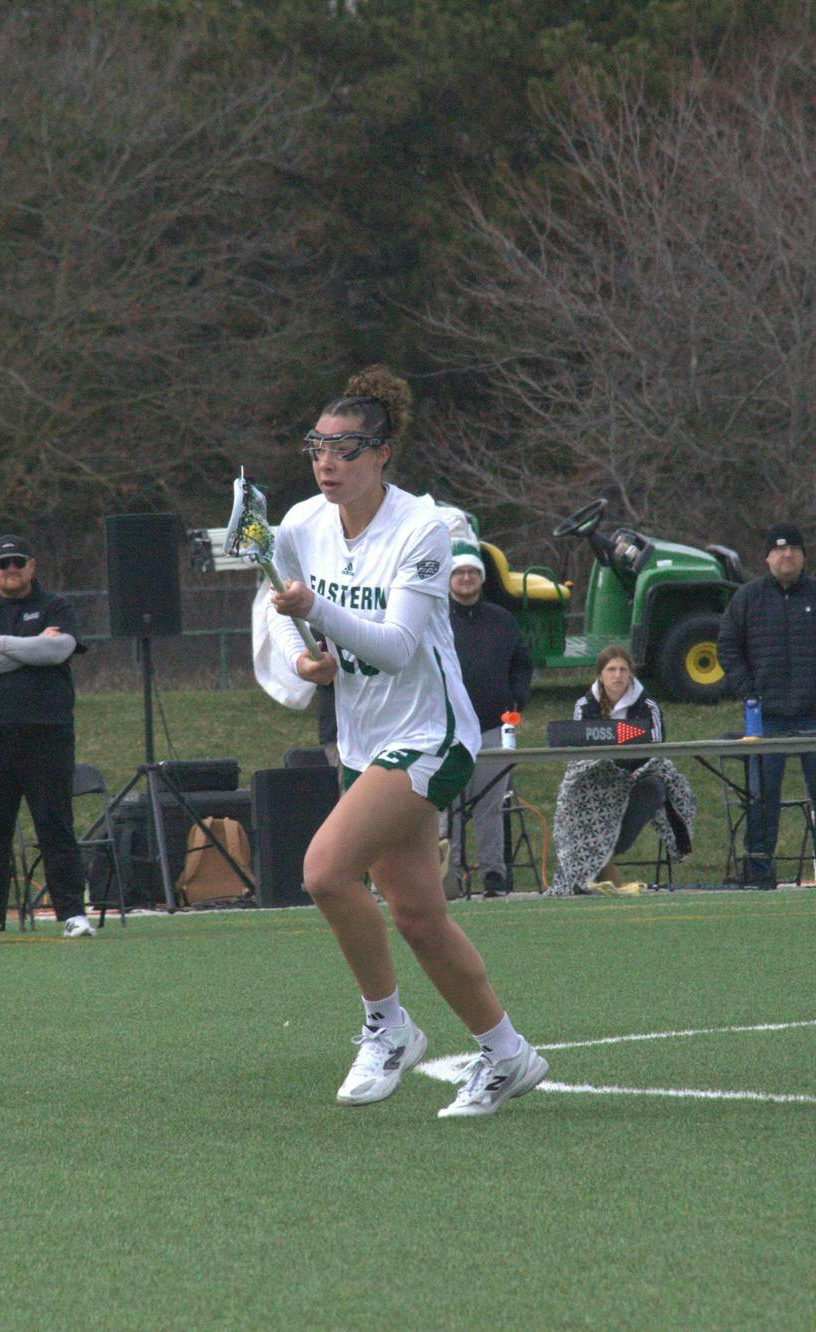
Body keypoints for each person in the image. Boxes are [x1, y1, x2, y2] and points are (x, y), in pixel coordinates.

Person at [270, 364, 547, 1119]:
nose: (328, 461)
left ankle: (387, 1026)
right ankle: (507, 1052)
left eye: (345, 448)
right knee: (419, 914)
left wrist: (319, 610)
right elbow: (280, 610)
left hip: (433, 736)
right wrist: (303, 657)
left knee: (326, 872)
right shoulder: (301, 525)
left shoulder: (425, 528)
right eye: (317, 447)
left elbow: (394, 646)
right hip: (366, 741)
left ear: (383, 452)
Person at [0, 533, 96, 942]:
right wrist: (28, 648)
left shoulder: (56, 606)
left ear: (31, 566)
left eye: (18, 562)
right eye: (3, 564)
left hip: (46, 733)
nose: (11, 570)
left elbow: (58, 651)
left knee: (55, 825)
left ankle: (72, 913)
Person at [718, 522, 816, 888]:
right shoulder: (747, 599)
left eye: (794, 550)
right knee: (761, 798)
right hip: (765, 721)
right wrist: (749, 691)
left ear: (803, 556)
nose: (787, 556)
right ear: (767, 556)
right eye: (780, 550)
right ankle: (759, 869)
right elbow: (728, 648)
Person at [547, 645, 697, 896]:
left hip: (639, 777)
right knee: (573, 792)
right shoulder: (584, 705)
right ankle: (588, 867)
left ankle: (606, 852)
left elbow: (656, 749)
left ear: (630, 674)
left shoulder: (647, 706)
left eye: (623, 670)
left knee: (655, 786)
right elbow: (578, 754)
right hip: (598, 783)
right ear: (600, 674)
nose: (617, 675)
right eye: (611, 669)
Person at [443, 540, 532, 898]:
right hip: (446, 732)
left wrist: (516, 702)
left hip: (493, 729)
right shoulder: (436, 619)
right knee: (446, 809)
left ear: (480, 578)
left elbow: (521, 665)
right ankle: (448, 878)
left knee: (491, 808)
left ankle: (494, 876)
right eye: (459, 572)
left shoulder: (502, 620)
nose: (466, 578)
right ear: (449, 579)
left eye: (472, 573)